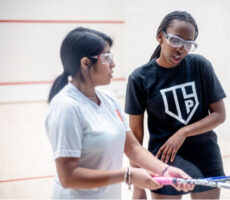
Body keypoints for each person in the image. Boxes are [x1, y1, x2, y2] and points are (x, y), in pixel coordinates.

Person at [45, 27, 194, 199]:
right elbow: (68, 177)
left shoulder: (108, 99)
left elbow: (133, 148)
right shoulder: (67, 107)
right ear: (86, 63)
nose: (113, 64)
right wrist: (128, 175)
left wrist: (166, 170)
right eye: (107, 58)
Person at [125, 11, 226, 199]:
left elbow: (219, 114)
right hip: (162, 160)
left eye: (189, 44)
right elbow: (136, 136)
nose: (182, 49)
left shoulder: (200, 65)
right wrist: (138, 182)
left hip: (205, 154)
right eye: (176, 41)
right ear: (160, 37)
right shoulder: (139, 78)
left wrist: (183, 132)